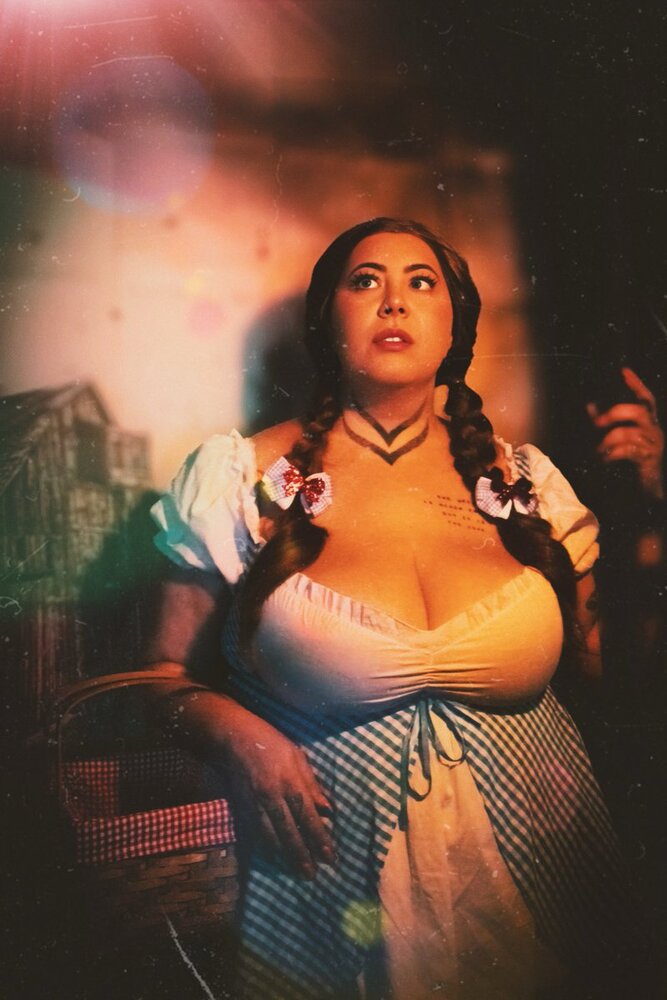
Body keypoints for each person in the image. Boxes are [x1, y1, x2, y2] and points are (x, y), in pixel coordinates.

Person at [147, 219, 641, 999]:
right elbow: (158, 677)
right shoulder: (240, 477)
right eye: (364, 281)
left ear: (454, 325)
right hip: (336, 903)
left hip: (551, 880)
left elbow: (617, 672)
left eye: (420, 283)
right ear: (325, 319)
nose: (393, 302)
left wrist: (652, 503)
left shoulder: (526, 483)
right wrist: (244, 738)